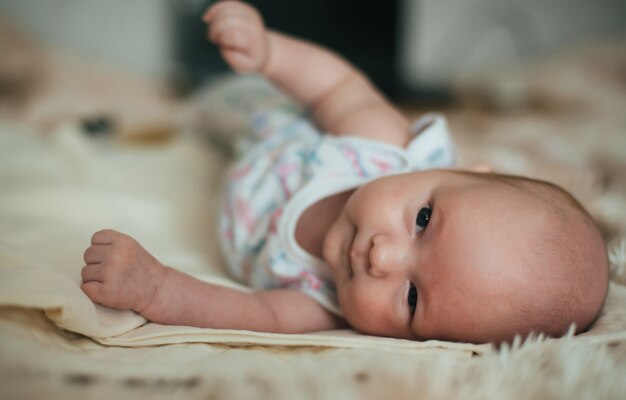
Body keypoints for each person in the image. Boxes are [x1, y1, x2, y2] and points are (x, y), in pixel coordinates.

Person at [80, 1, 609, 343]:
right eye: (423, 219)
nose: (382, 256)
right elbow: (334, 86)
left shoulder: (319, 304)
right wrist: (268, 51)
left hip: (239, 177)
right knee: (207, 102)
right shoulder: (376, 146)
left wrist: (155, 289)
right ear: (456, 169)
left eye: (411, 298)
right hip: (271, 128)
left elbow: (245, 311)